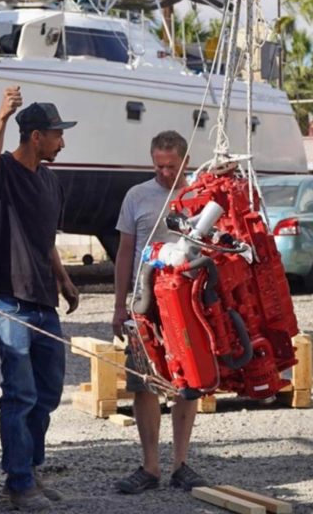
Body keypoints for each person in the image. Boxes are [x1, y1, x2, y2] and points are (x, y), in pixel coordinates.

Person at [0, 86, 80, 511]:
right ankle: (19, 483)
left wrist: (64, 279)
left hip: (44, 301)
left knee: (48, 393)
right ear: (36, 135)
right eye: (57, 133)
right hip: (10, 301)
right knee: (19, 394)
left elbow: (47, 240)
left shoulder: (51, 181)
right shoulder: (2, 172)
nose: (63, 141)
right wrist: (1, 116)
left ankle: (31, 470)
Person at [111, 130, 208, 495]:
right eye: (158, 166)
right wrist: (119, 306)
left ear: (185, 162)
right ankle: (149, 466)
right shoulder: (137, 196)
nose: (164, 173)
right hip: (143, 304)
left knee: (188, 382)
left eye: (170, 167)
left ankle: (181, 463)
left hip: (188, 306)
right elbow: (124, 252)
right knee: (143, 384)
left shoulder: (198, 197)